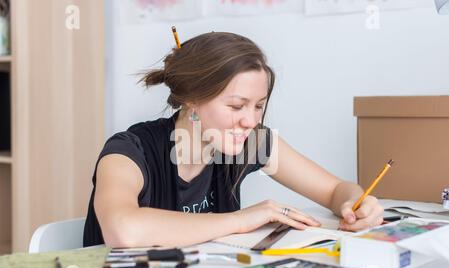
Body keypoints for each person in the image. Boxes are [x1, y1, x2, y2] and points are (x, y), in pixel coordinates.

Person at [83, 32, 384, 248]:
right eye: (236, 106)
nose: (250, 121)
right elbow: (123, 230)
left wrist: (354, 204)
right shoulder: (127, 151)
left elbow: (335, 190)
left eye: (258, 106)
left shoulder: (248, 143)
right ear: (192, 100)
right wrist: (242, 220)